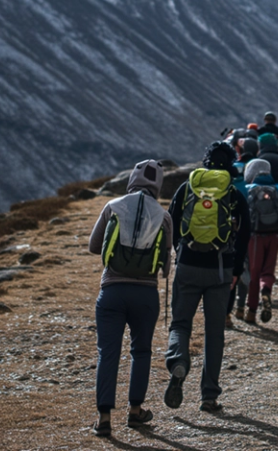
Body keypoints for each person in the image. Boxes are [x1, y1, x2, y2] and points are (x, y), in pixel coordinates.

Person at [165, 141, 250, 414]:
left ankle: (179, 362)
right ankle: (209, 396)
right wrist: (236, 270)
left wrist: (179, 250)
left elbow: (171, 221)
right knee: (215, 334)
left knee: (180, 324)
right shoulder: (234, 194)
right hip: (221, 270)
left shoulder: (187, 187)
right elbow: (246, 233)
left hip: (188, 266)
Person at [88, 160, 172, 437]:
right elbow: (166, 265)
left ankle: (103, 419)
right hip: (146, 294)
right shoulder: (164, 215)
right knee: (141, 351)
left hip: (112, 291)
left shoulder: (113, 206)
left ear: (133, 179)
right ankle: (135, 412)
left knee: (108, 353)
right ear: (157, 184)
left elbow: (94, 246)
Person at [244, 158, 278, 324]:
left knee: (254, 272)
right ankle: (266, 292)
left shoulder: (248, 189)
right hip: (274, 235)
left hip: (255, 236)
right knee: (268, 270)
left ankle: (251, 311)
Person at [226, 137, 259, 325]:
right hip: (250, 233)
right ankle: (241, 306)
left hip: (228, 234)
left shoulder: (229, 188)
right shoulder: (247, 188)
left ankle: (226, 313)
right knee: (245, 269)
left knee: (231, 271)